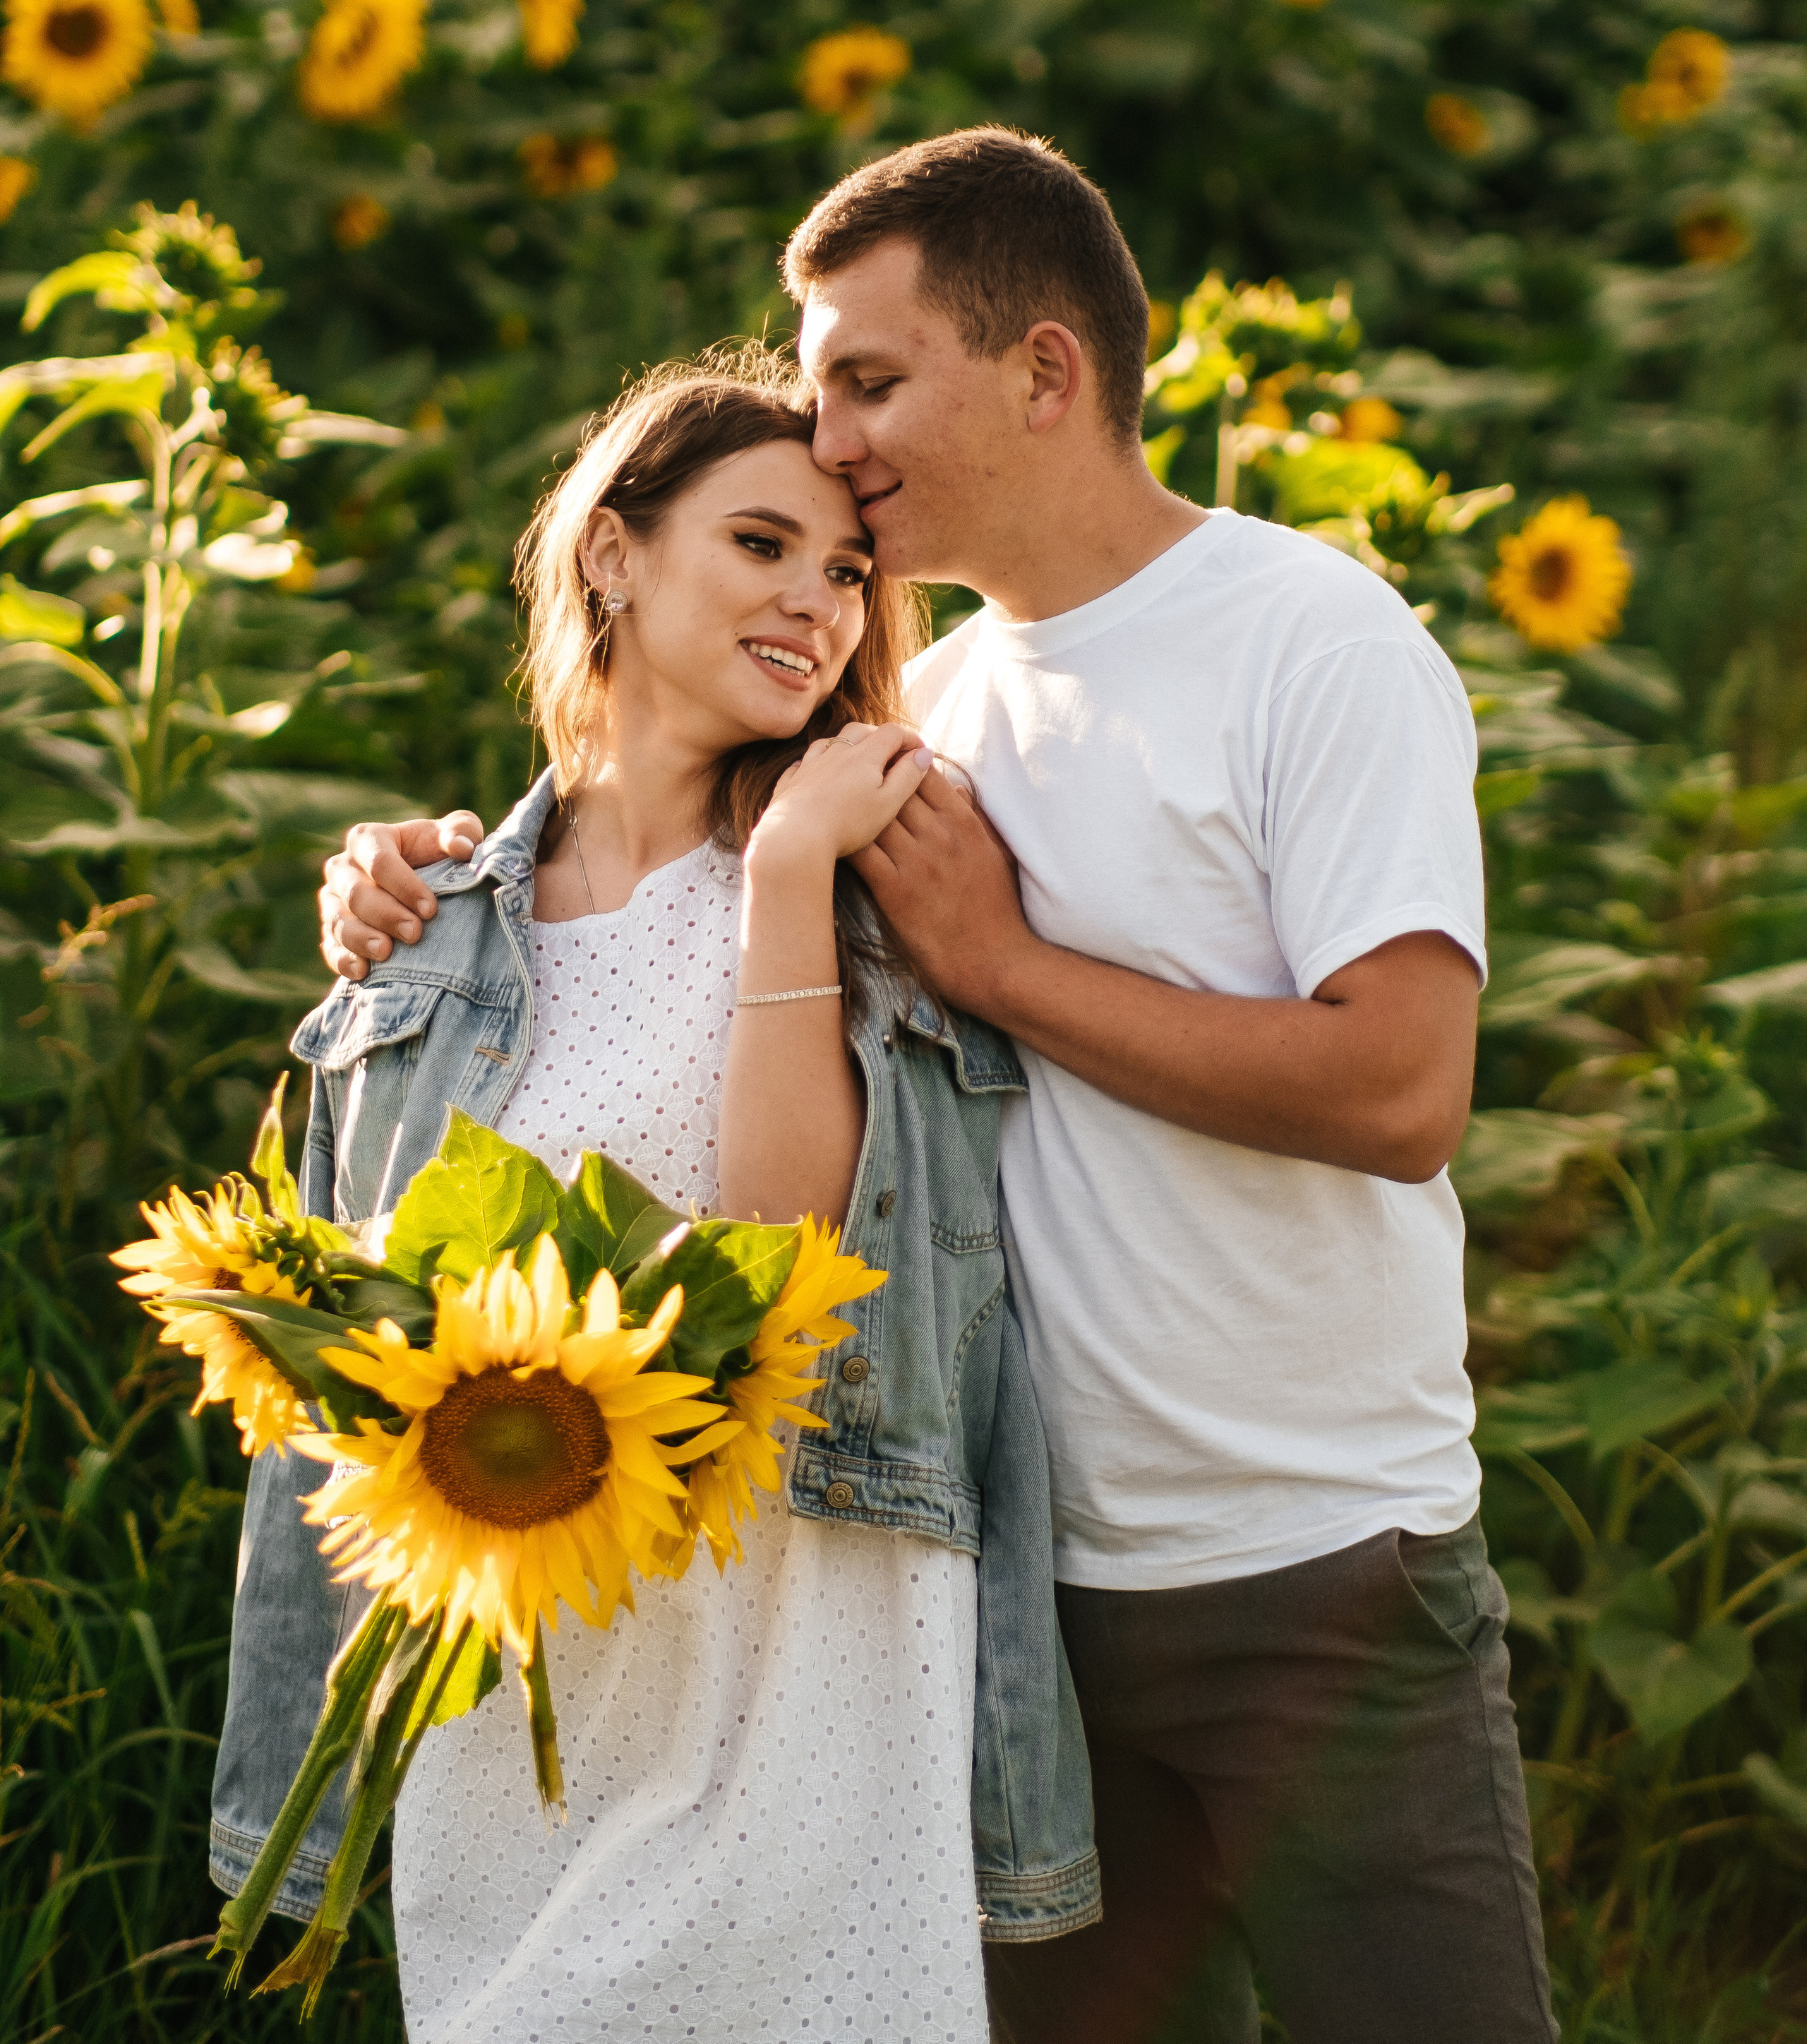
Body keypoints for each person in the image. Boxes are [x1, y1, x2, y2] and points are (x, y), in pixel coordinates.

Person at [320, 130, 1556, 2044]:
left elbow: (1403, 1091)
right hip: (1018, 1603)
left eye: (870, 380)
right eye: (819, 390)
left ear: (1046, 373)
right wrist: (401, 884)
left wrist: (1006, 972)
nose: (834, 435)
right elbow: (651, 929)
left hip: (1316, 1575)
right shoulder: (926, 713)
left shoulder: (1312, 639)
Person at [212, 349, 1099, 2044]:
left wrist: (781, 874)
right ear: (610, 554)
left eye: (847, 573)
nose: (819, 607)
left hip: (797, 1654)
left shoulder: (864, 870)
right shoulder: (434, 931)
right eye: (760, 545)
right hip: (514, 1666)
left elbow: (791, 1257)